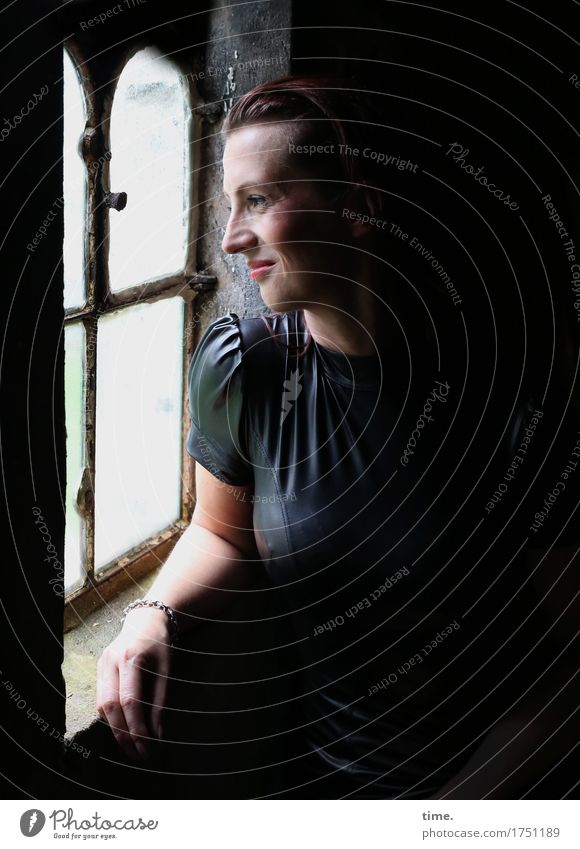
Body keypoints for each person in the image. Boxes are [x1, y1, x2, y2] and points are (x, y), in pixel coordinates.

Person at [97, 75, 580, 799]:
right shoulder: (246, 368)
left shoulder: (518, 401)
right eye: (231, 203)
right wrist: (150, 614)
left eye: (259, 200)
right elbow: (221, 532)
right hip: (331, 785)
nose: (231, 239)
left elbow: (569, 671)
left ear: (359, 206)